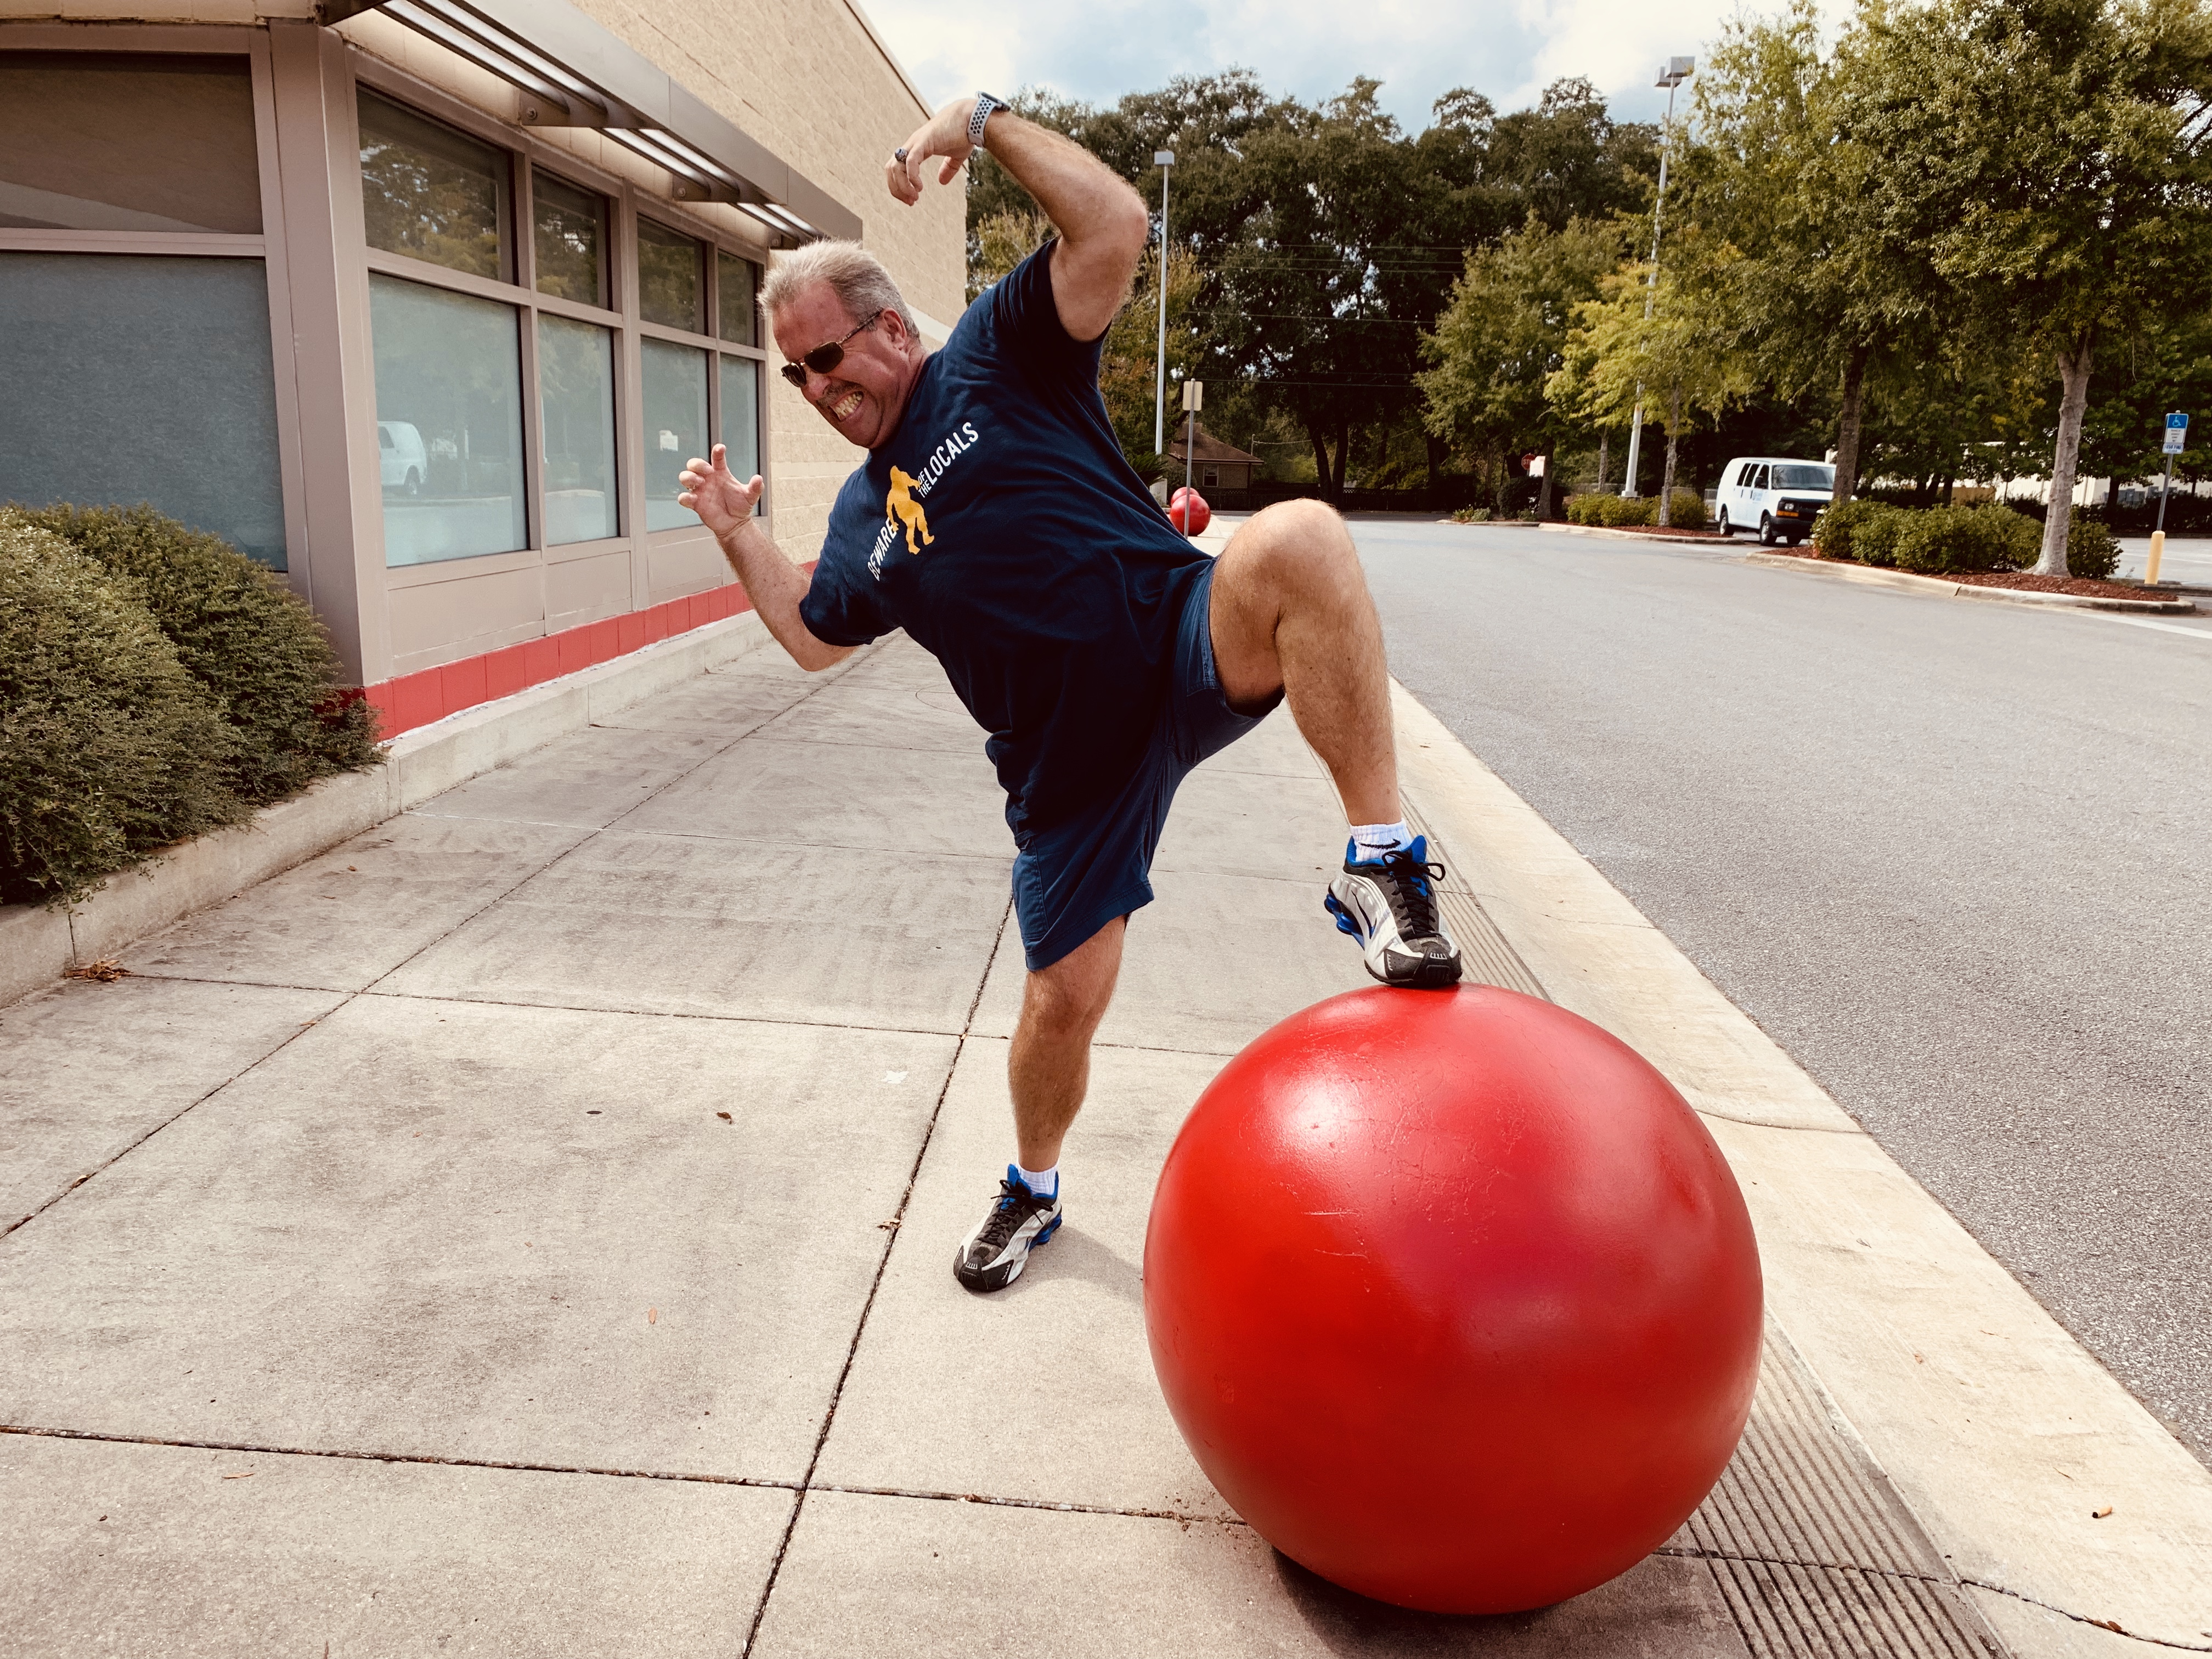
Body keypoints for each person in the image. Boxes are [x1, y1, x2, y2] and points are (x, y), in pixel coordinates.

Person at [678, 93, 1461, 1294]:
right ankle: (1032, 1187)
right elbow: (813, 637)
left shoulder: (999, 352)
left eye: (828, 358)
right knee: (1062, 1005)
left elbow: (1114, 228)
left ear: (890, 329)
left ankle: (1381, 859)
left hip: (1180, 640)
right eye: (796, 376)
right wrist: (741, 536)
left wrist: (979, 121)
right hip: (1067, 771)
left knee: (1301, 535)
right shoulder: (858, 518)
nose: (819, 389)